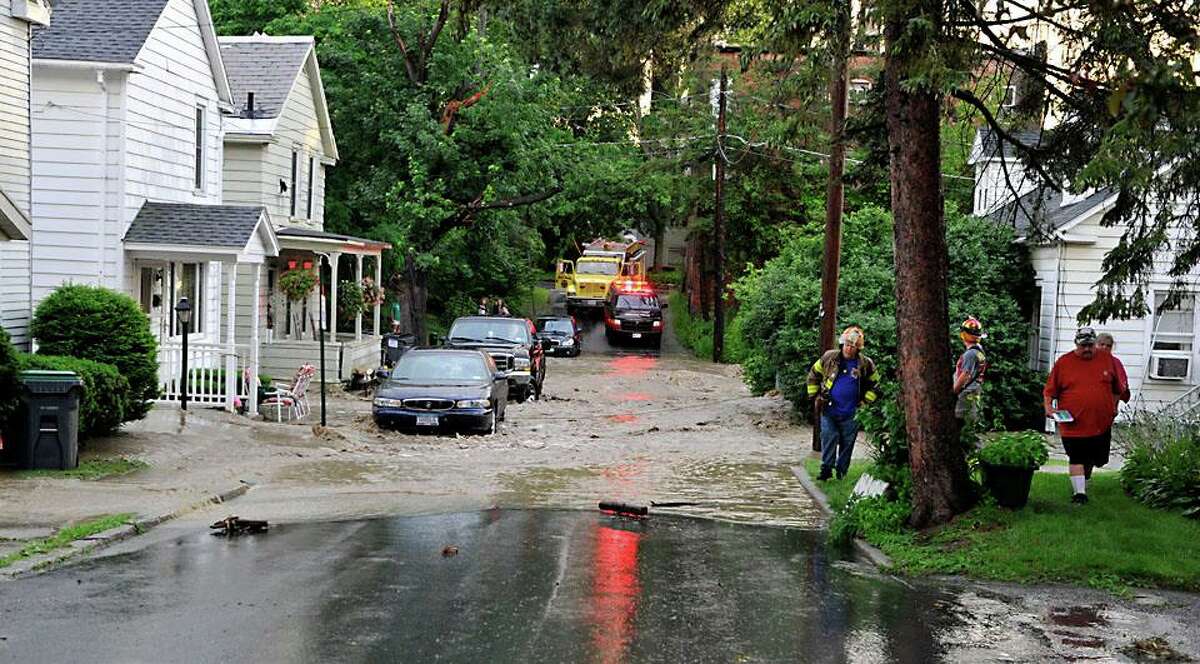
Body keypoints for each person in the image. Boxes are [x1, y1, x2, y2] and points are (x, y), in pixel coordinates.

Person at [1043, 327, 1125, 504]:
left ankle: (1085, 475)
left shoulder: (1107, 360)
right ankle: (1079, 494)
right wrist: (1049, 408)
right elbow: (1049, 391)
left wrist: (1113, 407)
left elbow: (1118, 389)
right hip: (1072, 423)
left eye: (1090, 345)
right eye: (1083, 346)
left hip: (1100, 423)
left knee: (1097, 459)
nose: (1087, 349)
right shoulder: (1064, 363)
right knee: (1077, 456)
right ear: (1076, 344)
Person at [806, 326, 880, 481]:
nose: (848, 348)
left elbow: (876, 384)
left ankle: (841, 473)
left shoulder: (865, 364)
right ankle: (826, 469)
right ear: (841, 344)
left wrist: (866, 401)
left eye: (852, 346)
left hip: (852, 412)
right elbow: (813, 374)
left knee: (847, 443)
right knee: (828, 436)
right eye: (846, 344)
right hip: (829, 409)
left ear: (858, 348)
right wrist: (814, 396)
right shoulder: (829, 358)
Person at [952, 317, 988, 428]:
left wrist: (953, 391)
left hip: (965, 394)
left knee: (960, 424)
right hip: (973, 392)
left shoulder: (970, 355)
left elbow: (965, 375)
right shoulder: (979, 350)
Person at [1096, 332, 1132, 408]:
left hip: (1107, 407)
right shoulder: (1087, 361)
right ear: (1095, 345)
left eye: (1108, 346)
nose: (1105, 347)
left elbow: (1121, 387)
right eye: (1102, 344)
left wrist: (1113, 406)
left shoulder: (1115, 363)